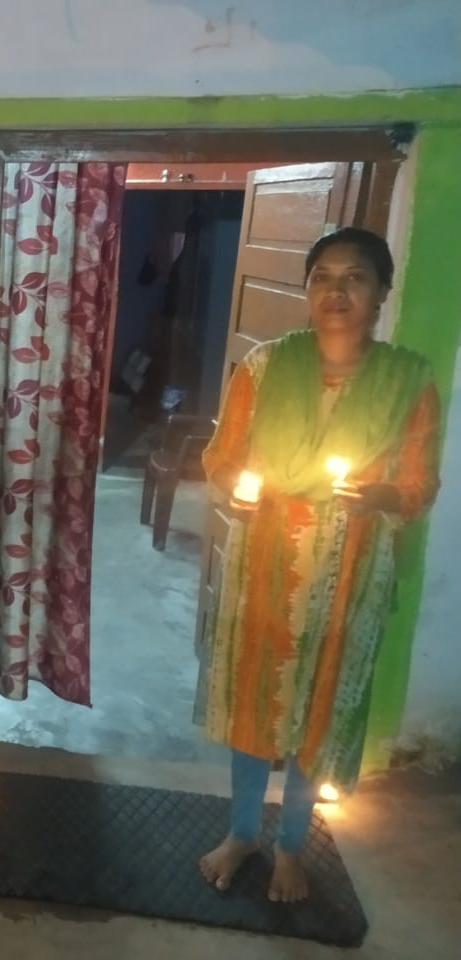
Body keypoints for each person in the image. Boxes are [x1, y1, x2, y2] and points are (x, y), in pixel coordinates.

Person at [197, 227, 441, 901]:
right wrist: (236, 492)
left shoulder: (408, 381)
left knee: (320, 711)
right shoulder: (264, 367)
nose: (336, 291)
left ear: (382, 292)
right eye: (322, 277)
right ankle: (242, 832)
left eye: (355, 277)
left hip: (350, 575)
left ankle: (292, 845)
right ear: (306, 291)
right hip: (266, 568)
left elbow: (419, 485)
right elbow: (222, 459)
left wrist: (380, 495)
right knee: (256, 704)